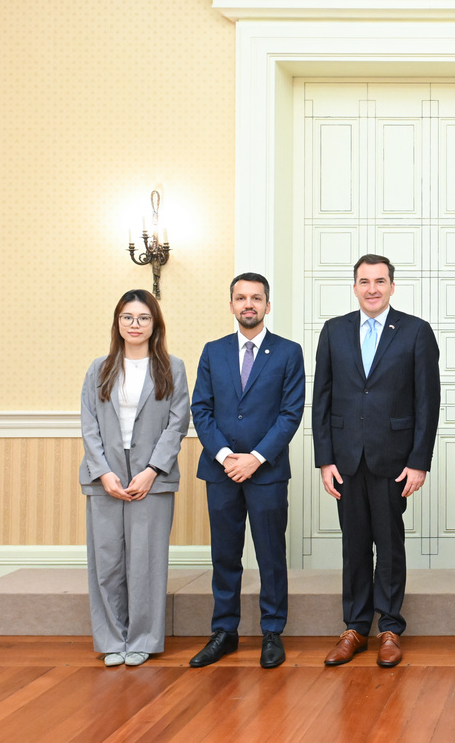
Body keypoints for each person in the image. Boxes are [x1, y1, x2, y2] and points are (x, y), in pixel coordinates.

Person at [313, 254, 441, 667]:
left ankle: (389, 628)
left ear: (391, 286)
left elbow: (427, 401)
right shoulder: (334, 331)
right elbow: (322, 399)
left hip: (394, 459)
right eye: (365, 281)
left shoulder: (416, 331)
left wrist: (419, 461)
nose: (372, 288)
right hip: (345, 459)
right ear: (355, 287)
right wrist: (324, 459)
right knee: (353, 545)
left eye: (380, 281)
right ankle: (354, 628)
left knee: (388, 545)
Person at [188, 273, 305, 669]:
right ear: (232, 305)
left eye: (256, 298)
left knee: (271, 555)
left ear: (268, 305)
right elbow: (201, 409)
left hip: (267, 472)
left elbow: (290, 413)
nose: (248, 304)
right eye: (241, 298)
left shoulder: (288, 352)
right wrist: (225, 456)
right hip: (220, 472)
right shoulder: (213, 351)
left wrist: (255, 458)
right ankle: (225, 632)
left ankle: (272, 631)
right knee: (225, 555)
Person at [79, 289, 189, 668]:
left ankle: (142, 639)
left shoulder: (172, 368)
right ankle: (112, 639)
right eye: (127, 317)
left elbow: (177, 424)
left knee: (145, 562)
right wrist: (103, 472)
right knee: (107, 561)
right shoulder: (99, 368)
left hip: (151, 477)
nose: (135, 324)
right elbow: (89, 424)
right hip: (104, 476)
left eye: (143, 318)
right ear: (118, 322)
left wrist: (151, 471)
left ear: (155, 323)